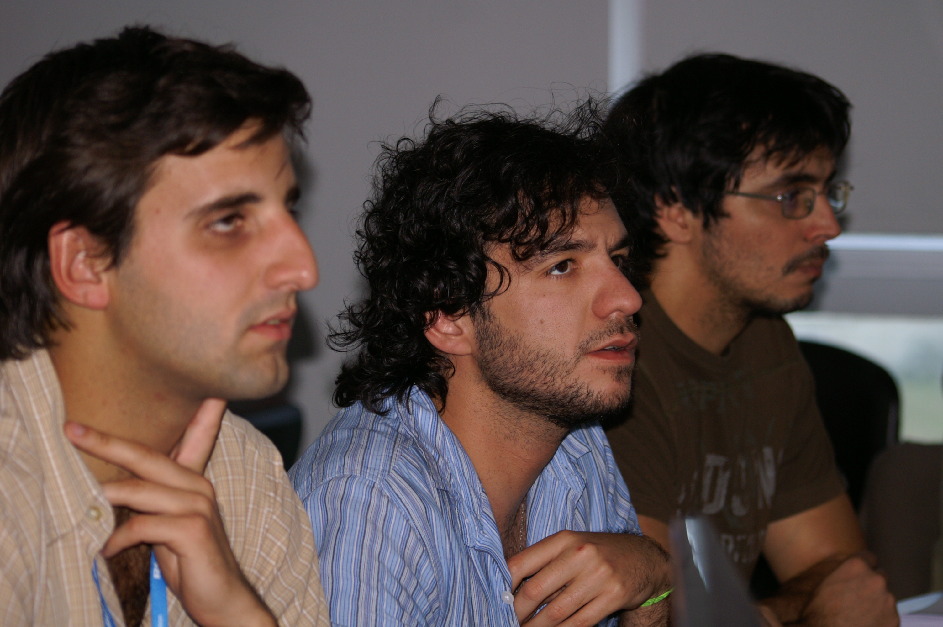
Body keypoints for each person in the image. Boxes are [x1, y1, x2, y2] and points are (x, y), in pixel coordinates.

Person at [289, 103, 672, 626]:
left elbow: (648, 592)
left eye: (619, 261)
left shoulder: (576, 443)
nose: (627, 298)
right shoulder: (371, 501)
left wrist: (652, 579)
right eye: (563, 266)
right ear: (449, 317)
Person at [0, 26, 329, 625]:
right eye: (228, 221)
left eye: (289, 209)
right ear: (84, 263)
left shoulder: (243, 473)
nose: (303, 268)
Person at [603, 53, 897, 625]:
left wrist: (760, 615)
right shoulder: (613, 357)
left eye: (827, 192)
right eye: (791, 197)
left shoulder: (765, 341)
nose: (829, 226)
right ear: (676, 209)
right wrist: (799, 616)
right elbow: (653, 612)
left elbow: (845, 574)